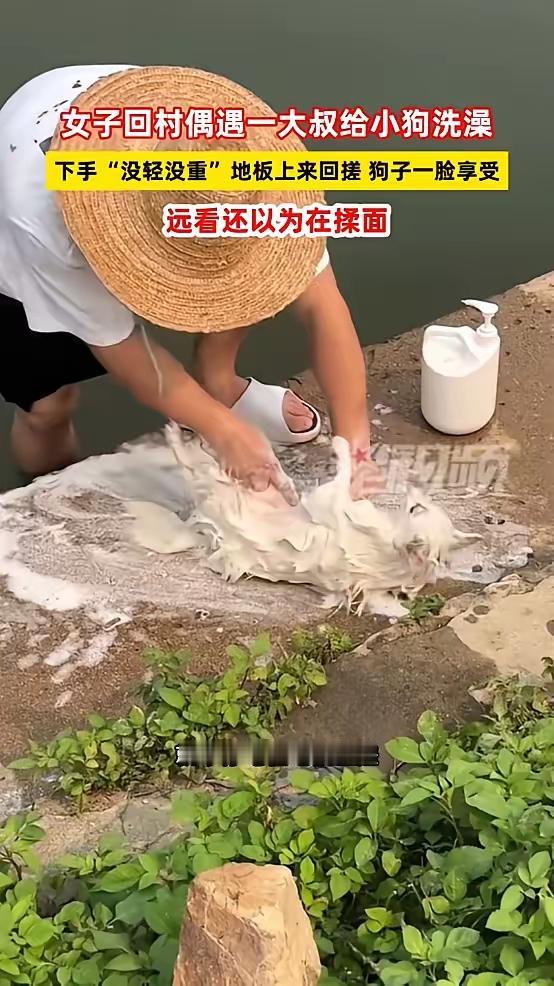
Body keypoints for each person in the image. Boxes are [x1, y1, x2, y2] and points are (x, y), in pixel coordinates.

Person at [0, 64, 384, 504]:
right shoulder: (42, 225)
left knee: (254, 278)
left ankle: (217, 382)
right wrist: (225, 431)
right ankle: (47, 494)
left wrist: (356, 450)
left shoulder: (255, 170)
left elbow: (323, 307)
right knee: (48, 405)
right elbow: (127, 354)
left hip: (125, 155)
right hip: (22, 220)